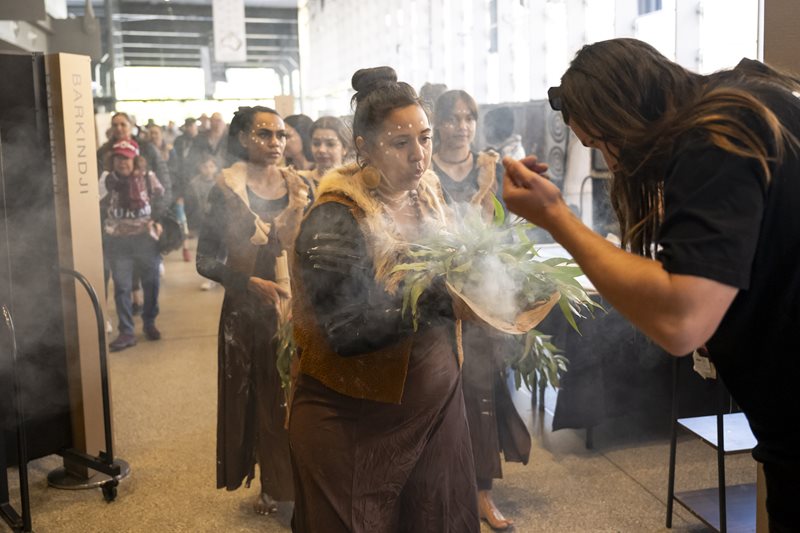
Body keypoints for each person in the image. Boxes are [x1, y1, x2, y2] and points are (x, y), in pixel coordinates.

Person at [501, 38, 800, 532]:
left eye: (602, 144)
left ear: (623, 112)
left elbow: (682, 318)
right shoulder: (747, 97)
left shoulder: (714, 135)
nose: (613, 165)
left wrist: (556, 217)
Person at [289, 66, 479, 532]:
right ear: (364, 146)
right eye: (401, 143)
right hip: (357, 418)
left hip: (434, 405)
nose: (419, 156)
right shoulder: (336, 216)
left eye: (425, 138)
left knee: (436, 517)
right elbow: (346, 332)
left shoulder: (427, 191)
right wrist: (441, 301)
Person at [196, 106, 310, 515]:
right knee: (264, 400)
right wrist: (246, 283)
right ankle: (276, 487)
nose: (276, 143)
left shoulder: (299, 185)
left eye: (281, 135)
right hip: (247, 312)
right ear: (243, 137)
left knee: (298, 398)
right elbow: (204, 261)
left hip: (295, 306)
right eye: (265, 134)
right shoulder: (225, 190)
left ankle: (303, 483)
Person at [432, 89, 530, 531]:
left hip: (484, 299)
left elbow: (506, 234)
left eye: (468, 117)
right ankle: (439, 490)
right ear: (437, 124)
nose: (461, 126)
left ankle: (482, 493)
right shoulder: (424, 170)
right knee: (437, 394)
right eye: (452, 118)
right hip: (438, 296)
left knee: (483, 393)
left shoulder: (489, 169)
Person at [102, 139, 165, 351]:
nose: (122, 162)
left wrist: (156, 220)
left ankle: (149, 323)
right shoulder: (106, 180)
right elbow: (95, 204)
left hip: (146, 240)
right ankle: (127, 332)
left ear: (135, 159)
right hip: (118, 242)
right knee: (122, 288)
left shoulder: (148, 177)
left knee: (151, 283)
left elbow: (162, 199)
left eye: (127, 158)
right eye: (119, 157)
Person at [298, 115, 352, 196]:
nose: (321, 150)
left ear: (345, 148)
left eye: (330, 144)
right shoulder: (300, 180)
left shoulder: (353, 183)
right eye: (316, 144)